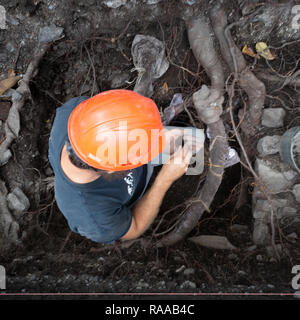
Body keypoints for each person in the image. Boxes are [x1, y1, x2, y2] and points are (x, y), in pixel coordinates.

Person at [48, 35, 204, 244]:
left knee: (194, 140)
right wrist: (165, 178)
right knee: (186, 149)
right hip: (138, 187)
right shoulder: (96, 218)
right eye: (142, 150)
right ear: (112, 169)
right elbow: (136, 226)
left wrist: (154, 132)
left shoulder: (74, 113)